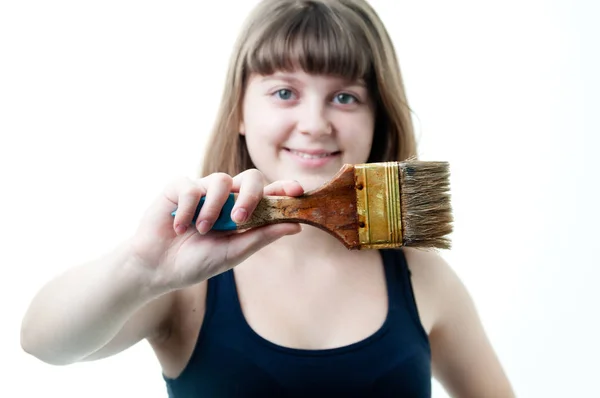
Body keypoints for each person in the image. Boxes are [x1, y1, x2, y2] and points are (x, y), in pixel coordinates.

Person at [20, 0, 515, 396]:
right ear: (239, 109)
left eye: (346, 97)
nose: (316, 123)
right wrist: (142, 268)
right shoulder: (187, 273)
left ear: (377, 118)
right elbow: (43, 343)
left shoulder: (420, 273)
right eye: (284, 93)